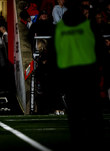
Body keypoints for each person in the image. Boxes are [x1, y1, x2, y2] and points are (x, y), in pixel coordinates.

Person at [48, 0, 106, 149]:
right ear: (82, 11)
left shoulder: (59, 28)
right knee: (93, 111)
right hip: (88, 74)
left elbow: (53, 55)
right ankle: (97, 141)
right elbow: (101, 50)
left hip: (69, 75)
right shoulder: (89, 26)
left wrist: (56, 77)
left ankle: (78, 142)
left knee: (75, 114)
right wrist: (99, 69)